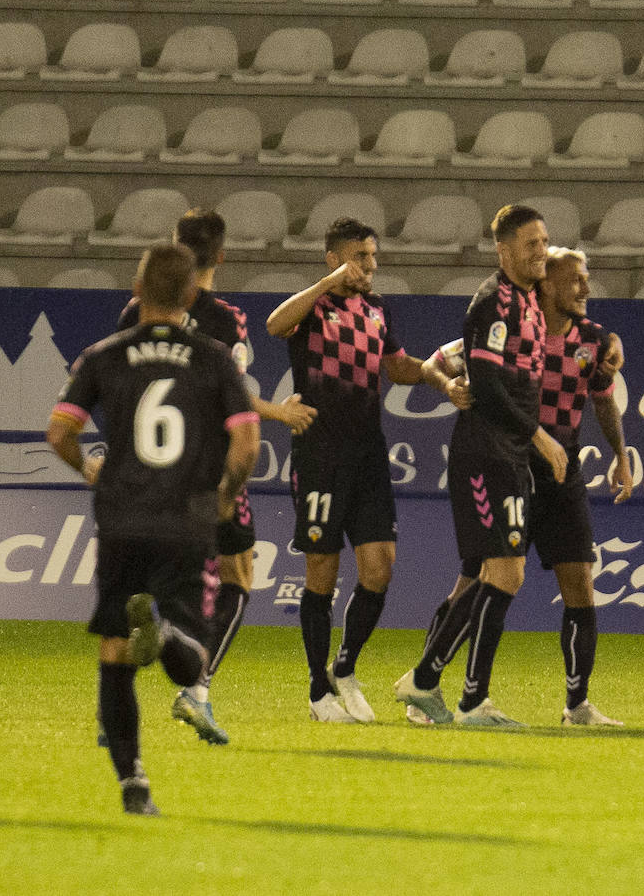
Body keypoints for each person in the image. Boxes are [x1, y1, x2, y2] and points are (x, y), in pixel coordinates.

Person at [49, 242, 259, 815]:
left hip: (121, 519)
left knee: (114, 654)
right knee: (192, 654)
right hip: (186, 522)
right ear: (191, 295)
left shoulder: (103, 355)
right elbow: (247, 441)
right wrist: (225, 494)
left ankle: (133, 784)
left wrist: (89, 467)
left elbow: (59, 432)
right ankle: (166, 637)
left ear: (137, 292)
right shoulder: (215, 358)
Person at [400, 246, 633, 727]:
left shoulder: (592, 341)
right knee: (482, 578)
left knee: (579, 582)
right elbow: (432, 364)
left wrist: (620, 456)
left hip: (561, 465)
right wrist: (450, 387)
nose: (586, 288)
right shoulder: (508, 329)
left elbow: (604, 401)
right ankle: (429, 689)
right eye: (576, 280)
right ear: (546, 283)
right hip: (506, 458)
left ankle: (576, 706)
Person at [116, 208, 316, 745]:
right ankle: (195, 688)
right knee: (237, 576)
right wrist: (280, 413)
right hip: (207, 464)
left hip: (147, 465)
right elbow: (234, 396)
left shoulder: (138, 311)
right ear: (221, 256)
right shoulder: (227, 320)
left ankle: (153, 615)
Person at [266, 217, 465, 723]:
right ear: (334, 259)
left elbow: (395, 365)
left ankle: (345, 668)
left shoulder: (377, 310)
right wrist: (328, 285)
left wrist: (439, 373)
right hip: (319, 454)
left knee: (380, 566)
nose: (372, 265)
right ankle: (317, 692)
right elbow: (274, 324)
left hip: (368, 453)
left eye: (374, 256)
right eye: (361, 256)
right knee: (322, 572)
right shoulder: (314, 306)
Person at [393, 204, 567, 727]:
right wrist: (540, 436)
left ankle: (443, 687)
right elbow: (488, 386)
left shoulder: (528, 303)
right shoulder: (493, 304)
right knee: (502, 573)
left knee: (497, 575)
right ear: (505, 249)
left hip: (505, 453)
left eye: (544, 241)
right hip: (485, 453)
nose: (541, 251)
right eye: (531, 244)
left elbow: (451, 357)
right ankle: (447, 690)